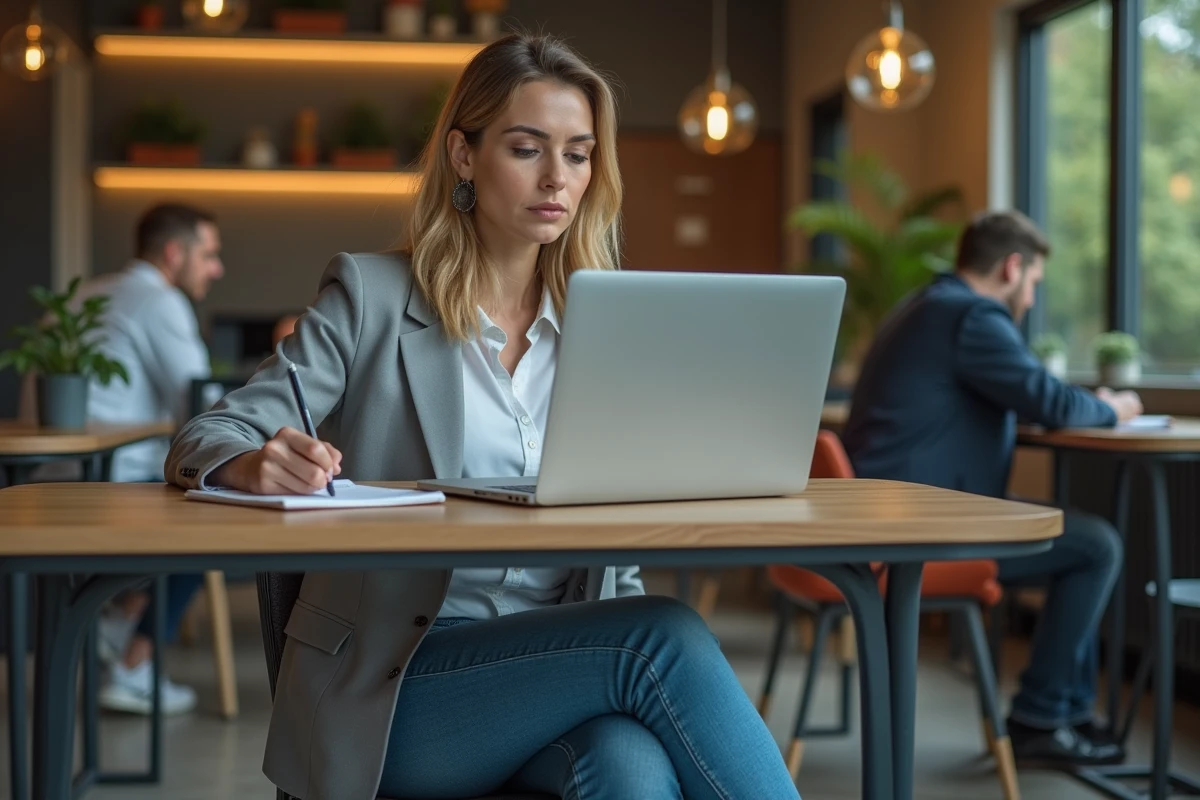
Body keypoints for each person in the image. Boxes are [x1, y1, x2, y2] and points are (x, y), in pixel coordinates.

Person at [166, 34, 799, 800]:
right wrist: (250, 463)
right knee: (661, 637)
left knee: (628, 766)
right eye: (527, 149)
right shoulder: (370, 297)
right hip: (398, 681)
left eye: (577, 154)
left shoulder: (605, 321)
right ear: (464, 156)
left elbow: (615, 559)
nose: (556, 179)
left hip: (560, 666)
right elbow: (208, 434)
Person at [842, 210, 1141, 765]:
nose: (1029, 300)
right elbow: (1050, 401)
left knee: (1076, 536)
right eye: (1032, 284)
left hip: (886, 513)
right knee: (1094, 546)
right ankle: (1042, 717)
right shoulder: (972, 315)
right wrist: (1116, 406)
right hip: (915, 527)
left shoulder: (925, 306)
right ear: (1011, 267)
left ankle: (1067, 714)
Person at [82, 202, 226, 715]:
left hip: (60, 476)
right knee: (217, 520)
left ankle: (116, 619)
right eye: (209, 254)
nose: (217, 268)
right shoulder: (160, 301)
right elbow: (207, 407)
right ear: (173, 252)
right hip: (122, 479)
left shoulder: (87, 291)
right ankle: (131, 666)